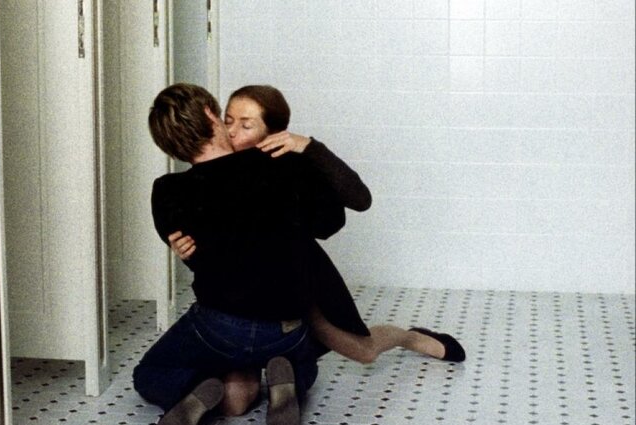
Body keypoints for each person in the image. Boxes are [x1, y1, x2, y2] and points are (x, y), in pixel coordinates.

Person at [168, 85, 466, 372]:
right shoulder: (208, 172)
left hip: (298, 281)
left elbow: (360, 200)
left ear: (273, 134)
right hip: (247, 302)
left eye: (246, 125)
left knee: (363, 351)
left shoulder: (290, 166)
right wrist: (184, 248)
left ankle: (410, 337)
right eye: (228, 120)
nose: (232, 131)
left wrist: (310, 147)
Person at [133, 83, 349, 425]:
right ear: (210, 115)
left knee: (149, 373)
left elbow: (200, 260)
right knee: (303, 359)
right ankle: (290, 381)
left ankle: (199, 390)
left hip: (220, 328)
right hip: (285, 327)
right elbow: (331, 223)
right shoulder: (280, 161)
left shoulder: (167, 191)